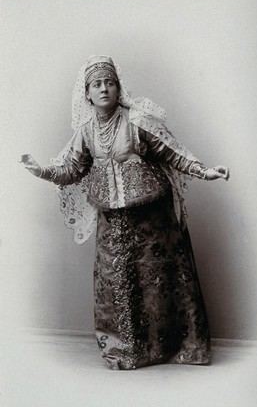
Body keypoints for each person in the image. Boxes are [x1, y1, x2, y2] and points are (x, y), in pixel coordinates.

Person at [21, 55, 230, 370]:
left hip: (153, 222)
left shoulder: (138, 121)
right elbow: (71, 169)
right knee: (118, 281)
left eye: (109, 82)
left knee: (160, 281)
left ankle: (177, 348)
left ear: (118, 87)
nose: (104, 89)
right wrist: (41, 171)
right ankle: (130, 351)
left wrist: (205, 171)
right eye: (97, 84)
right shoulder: (86, 132)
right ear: (87, 93)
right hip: (113, 222)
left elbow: (173, 153)